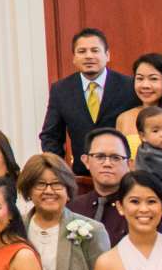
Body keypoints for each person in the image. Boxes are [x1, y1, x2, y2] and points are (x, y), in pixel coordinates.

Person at [38, 26, 120, 170]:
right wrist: (60, 171)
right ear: (74, 58)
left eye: (95, 50)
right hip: (81, 175)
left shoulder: (127, 86)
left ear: (107, 55)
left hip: (121, 174)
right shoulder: (61, 89)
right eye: (82, 51)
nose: (88, 56)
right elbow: (50, 136)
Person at [70, 129, 141, 239]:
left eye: (116, 158)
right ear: (86, 161)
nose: (107, 163)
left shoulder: (140, 209)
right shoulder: (72, 209)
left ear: (129, 165)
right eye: (100, 156)